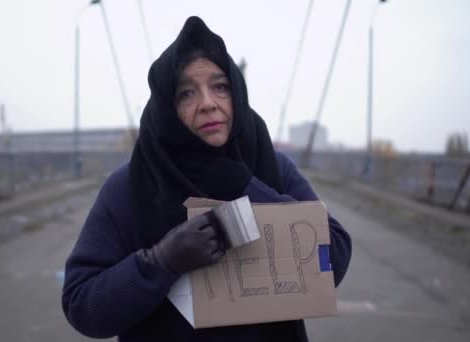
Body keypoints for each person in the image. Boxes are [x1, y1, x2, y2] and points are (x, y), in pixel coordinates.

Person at [62, 16, 351, 342]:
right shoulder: (129, 185)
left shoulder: (273, 167)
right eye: (186, 93)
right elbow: (82, 306)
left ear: (236, 94)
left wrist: (245, 187)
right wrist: (160, 262)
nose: (208, 103)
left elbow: (335, 259)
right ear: (166, 108)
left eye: (220, 87)